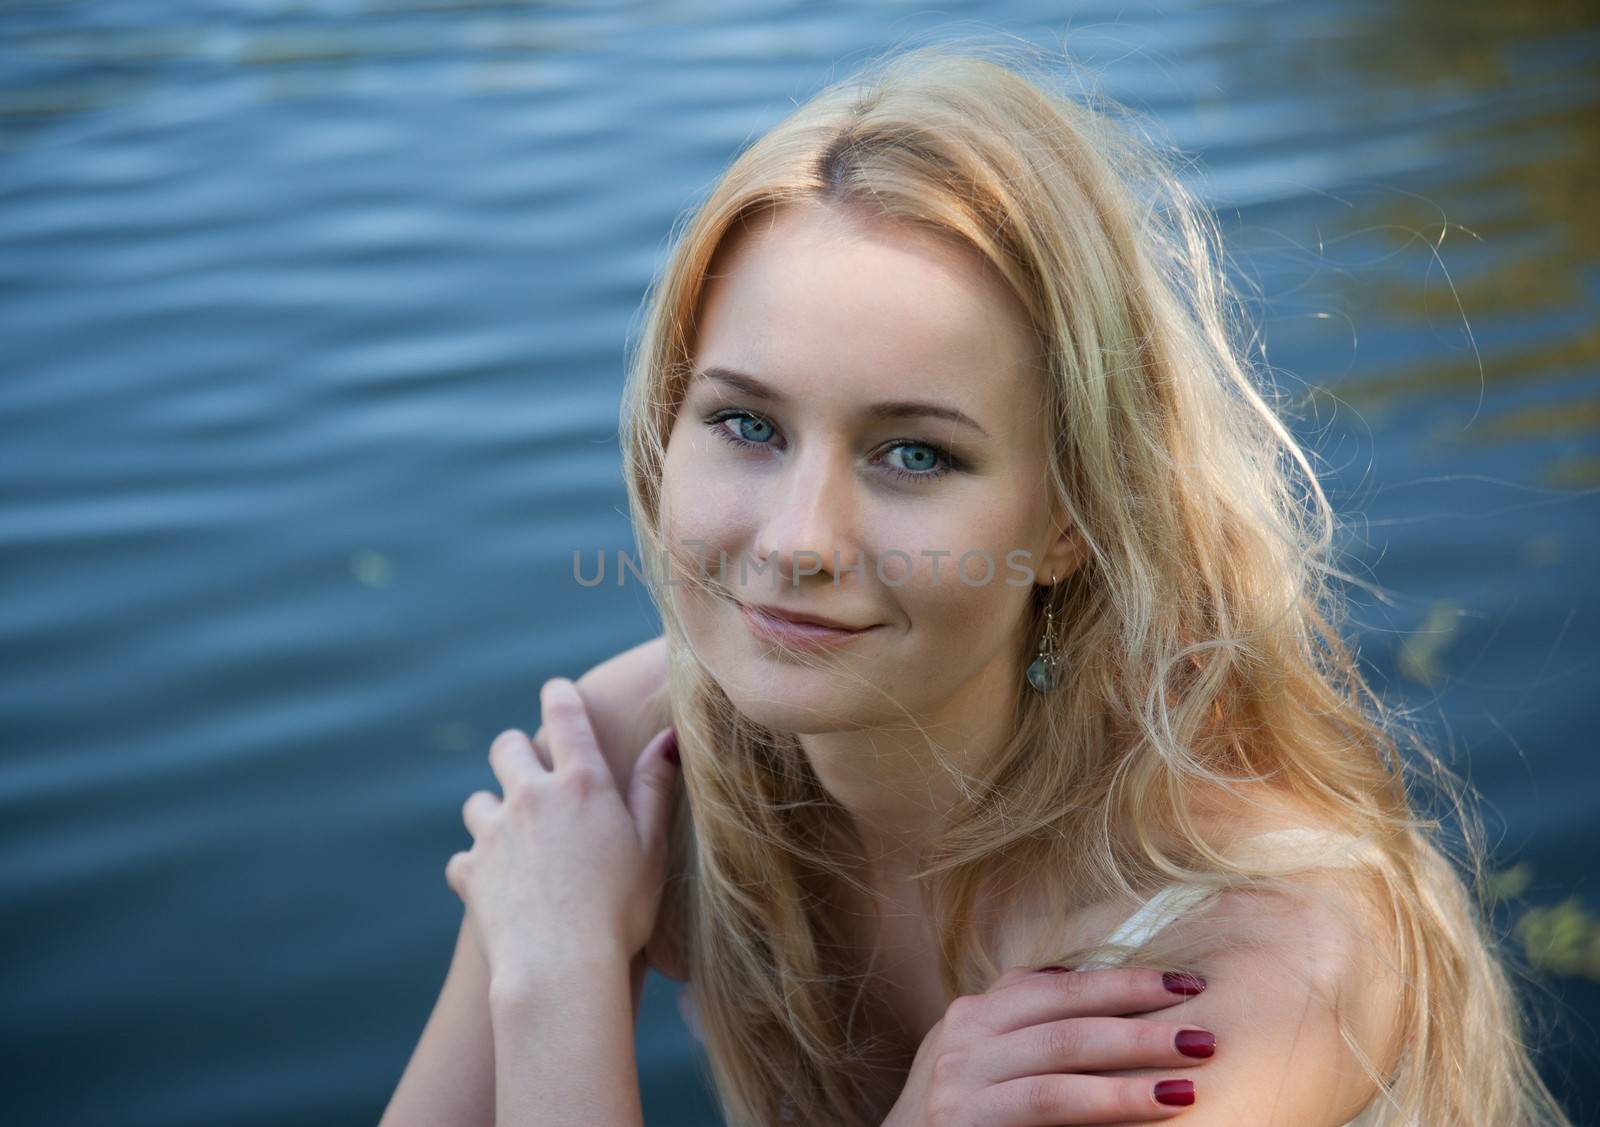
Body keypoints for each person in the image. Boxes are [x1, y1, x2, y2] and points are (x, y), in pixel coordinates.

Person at [381, 40, 1572, 1127]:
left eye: (916, 454)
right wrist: (553, 956)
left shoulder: (1236, 967)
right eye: (745, 421)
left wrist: (553, 985)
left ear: (1069, 518)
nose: (800, 539)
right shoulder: (630, 768)